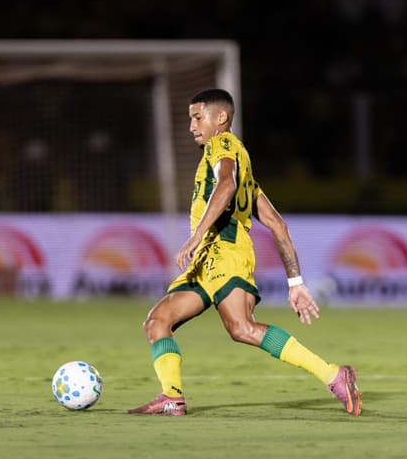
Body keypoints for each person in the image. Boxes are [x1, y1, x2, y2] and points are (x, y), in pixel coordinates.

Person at [129, 88, 361, 417]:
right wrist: (295, 283)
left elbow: (227, 186)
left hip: (226, 251)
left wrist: (196, 236)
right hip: (206, 261)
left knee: (241, 327)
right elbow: (276, 224)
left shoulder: (221, 145)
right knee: (157, 321)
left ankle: (333, 374)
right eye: (190, 119)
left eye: (197, 117)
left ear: (220, 118)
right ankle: (172, 396)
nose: (191, 126)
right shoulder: (242, 165)